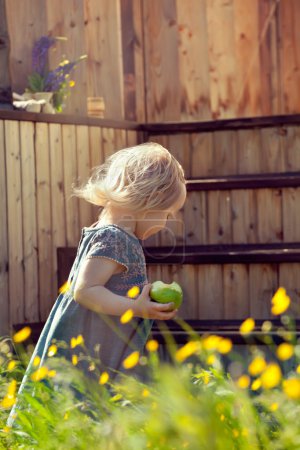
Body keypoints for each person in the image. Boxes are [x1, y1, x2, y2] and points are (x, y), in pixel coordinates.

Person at [6, 141, 187, 427]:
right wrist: (135, 307)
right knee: (78, 412)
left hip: (102, 346)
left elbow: (108, 286)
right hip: (88, 347)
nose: (166, 224)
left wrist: (141, 299)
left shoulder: (118, 237)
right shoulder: (114, 238)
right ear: (147, 201)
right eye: (166, 214)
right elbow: (85, 290)